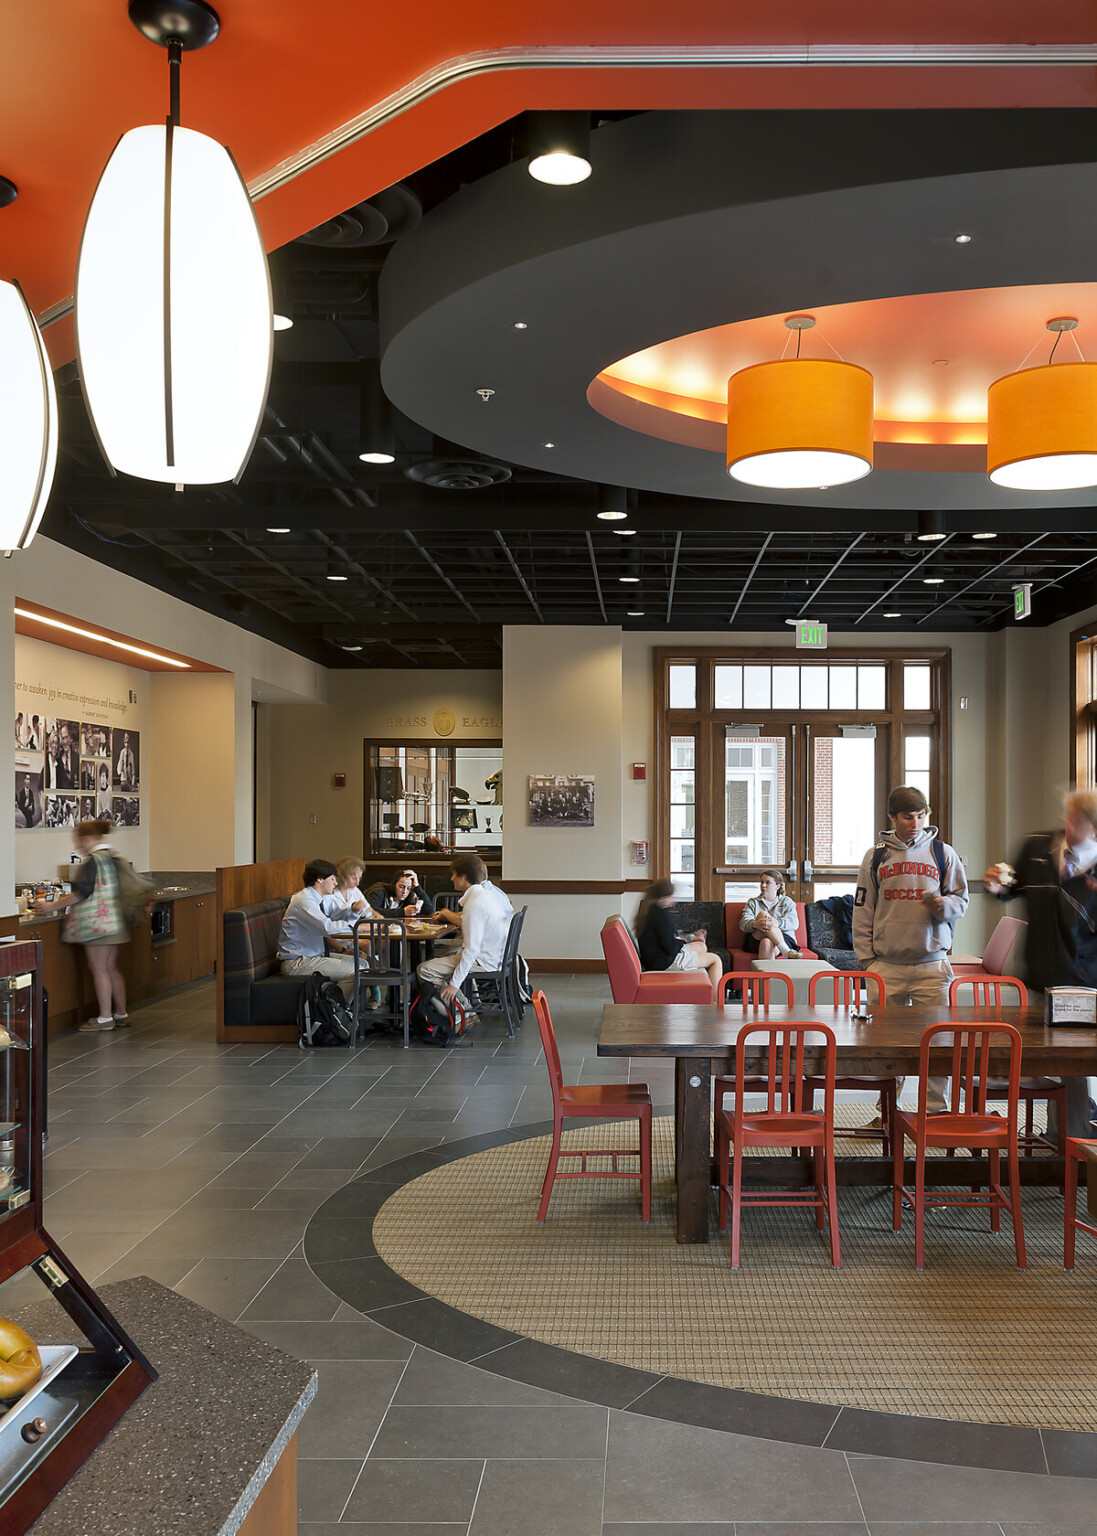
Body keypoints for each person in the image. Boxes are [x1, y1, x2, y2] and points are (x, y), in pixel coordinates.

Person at [985, 788, 1097, 1139]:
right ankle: (1055, 1133)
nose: (1071, 825)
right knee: (1043, 1057)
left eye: (1081, 822)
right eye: (1070, 816)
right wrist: (995, 887)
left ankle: (1076, 1142)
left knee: (1073, 1064)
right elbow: (1010, 887)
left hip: (1082, 979)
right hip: (1038, 972)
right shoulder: (1036, 846)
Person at [853, 785, 969, 1117]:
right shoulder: (876, 856)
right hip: (886, 967)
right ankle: (888, 1113)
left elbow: (961, 901)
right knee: (887, 1047)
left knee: (938, 1044)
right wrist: (868, 963)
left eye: (921, 815)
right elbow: (863, 910)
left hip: (932, 967)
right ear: (893, 817)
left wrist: (942, 905)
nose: (915, 822)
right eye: (908, 816)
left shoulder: (942, 853)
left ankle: (934, 1113)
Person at [34, 819, 132, 1033]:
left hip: (98, 924)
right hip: (116, 922)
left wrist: (52, 906)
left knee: (98, 969)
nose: (78, 845)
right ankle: (121, 1013)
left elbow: (81, 894)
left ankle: (105, 1018)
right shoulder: (113, 858)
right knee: (111, 968)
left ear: (88, 838)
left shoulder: (92, 862)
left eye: (79, 839)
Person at [416, 854, 513, 1017]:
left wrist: (454, 984)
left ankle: (462, 1013)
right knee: (440, 962)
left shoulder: (475, 904)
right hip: (495, 956)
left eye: (455, 874)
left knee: (424, 970)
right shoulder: (485, 896)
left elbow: (471, 949)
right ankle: (464, 1007)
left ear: (464, 877)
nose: (452, 878)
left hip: (484, 960)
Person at [276, 859, 360, 1003]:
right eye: (333, 878)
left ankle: (338, 1007)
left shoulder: (316, 900)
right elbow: (326, 928)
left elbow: (334, 916)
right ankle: (333, 1010)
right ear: (319, 879)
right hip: (297, 963)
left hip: (312, 957)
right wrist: (356, 927)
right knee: (357, 972)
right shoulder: (304, 901)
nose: (336, 883)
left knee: (363, 965)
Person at [635, 877, 724, 1000]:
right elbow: (671, 948)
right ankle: (716, 1004)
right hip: (664, 962)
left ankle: (701, 985)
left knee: (701, 946)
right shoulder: (660, 916)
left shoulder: (650, 911)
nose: (673, 900)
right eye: (671, 897)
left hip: (658, 957)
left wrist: (691, 937)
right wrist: (683, 943)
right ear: (663, 898)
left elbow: (669, 939)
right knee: (715, 960)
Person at [739, 870, 801, 958]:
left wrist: (778, 922)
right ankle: (786, 951)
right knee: (763, 914)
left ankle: (766, 971)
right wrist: (755, 924)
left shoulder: (786, 902)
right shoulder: (753, 902)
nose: (763, 885)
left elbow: (794, 923)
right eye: (762, 882)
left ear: (777, 886)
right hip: (756, 938)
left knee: (767, 942)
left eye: (768, 883)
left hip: (784, 937)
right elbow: (743, 924)